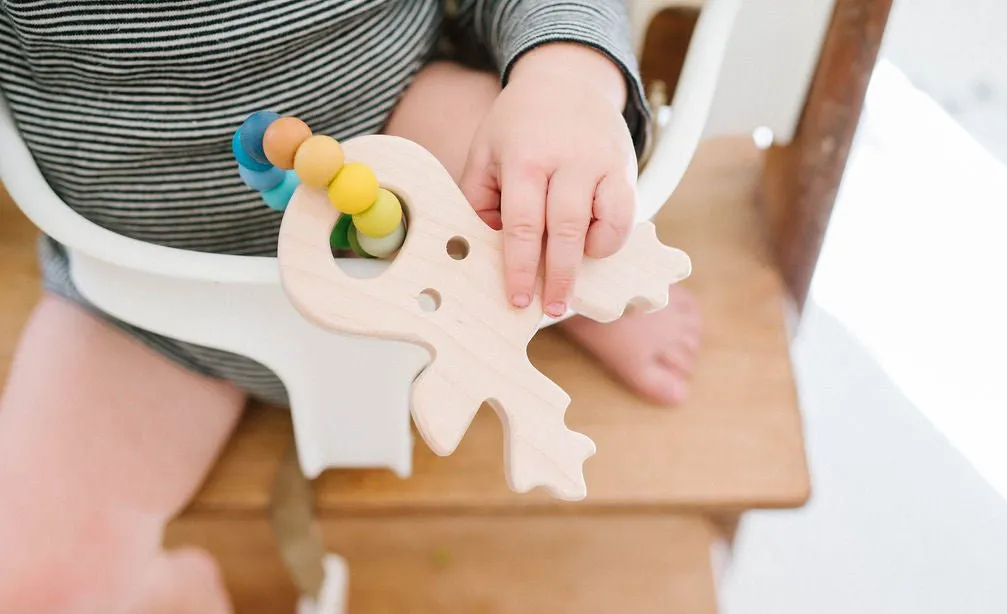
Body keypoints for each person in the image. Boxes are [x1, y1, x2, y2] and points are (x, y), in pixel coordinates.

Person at [0, 1, 701, 611]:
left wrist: (567, 71)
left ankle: (565, 294)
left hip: (417, 156)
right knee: (31, 589)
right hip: (144, 302)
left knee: (558, 200)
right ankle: (168, 596)